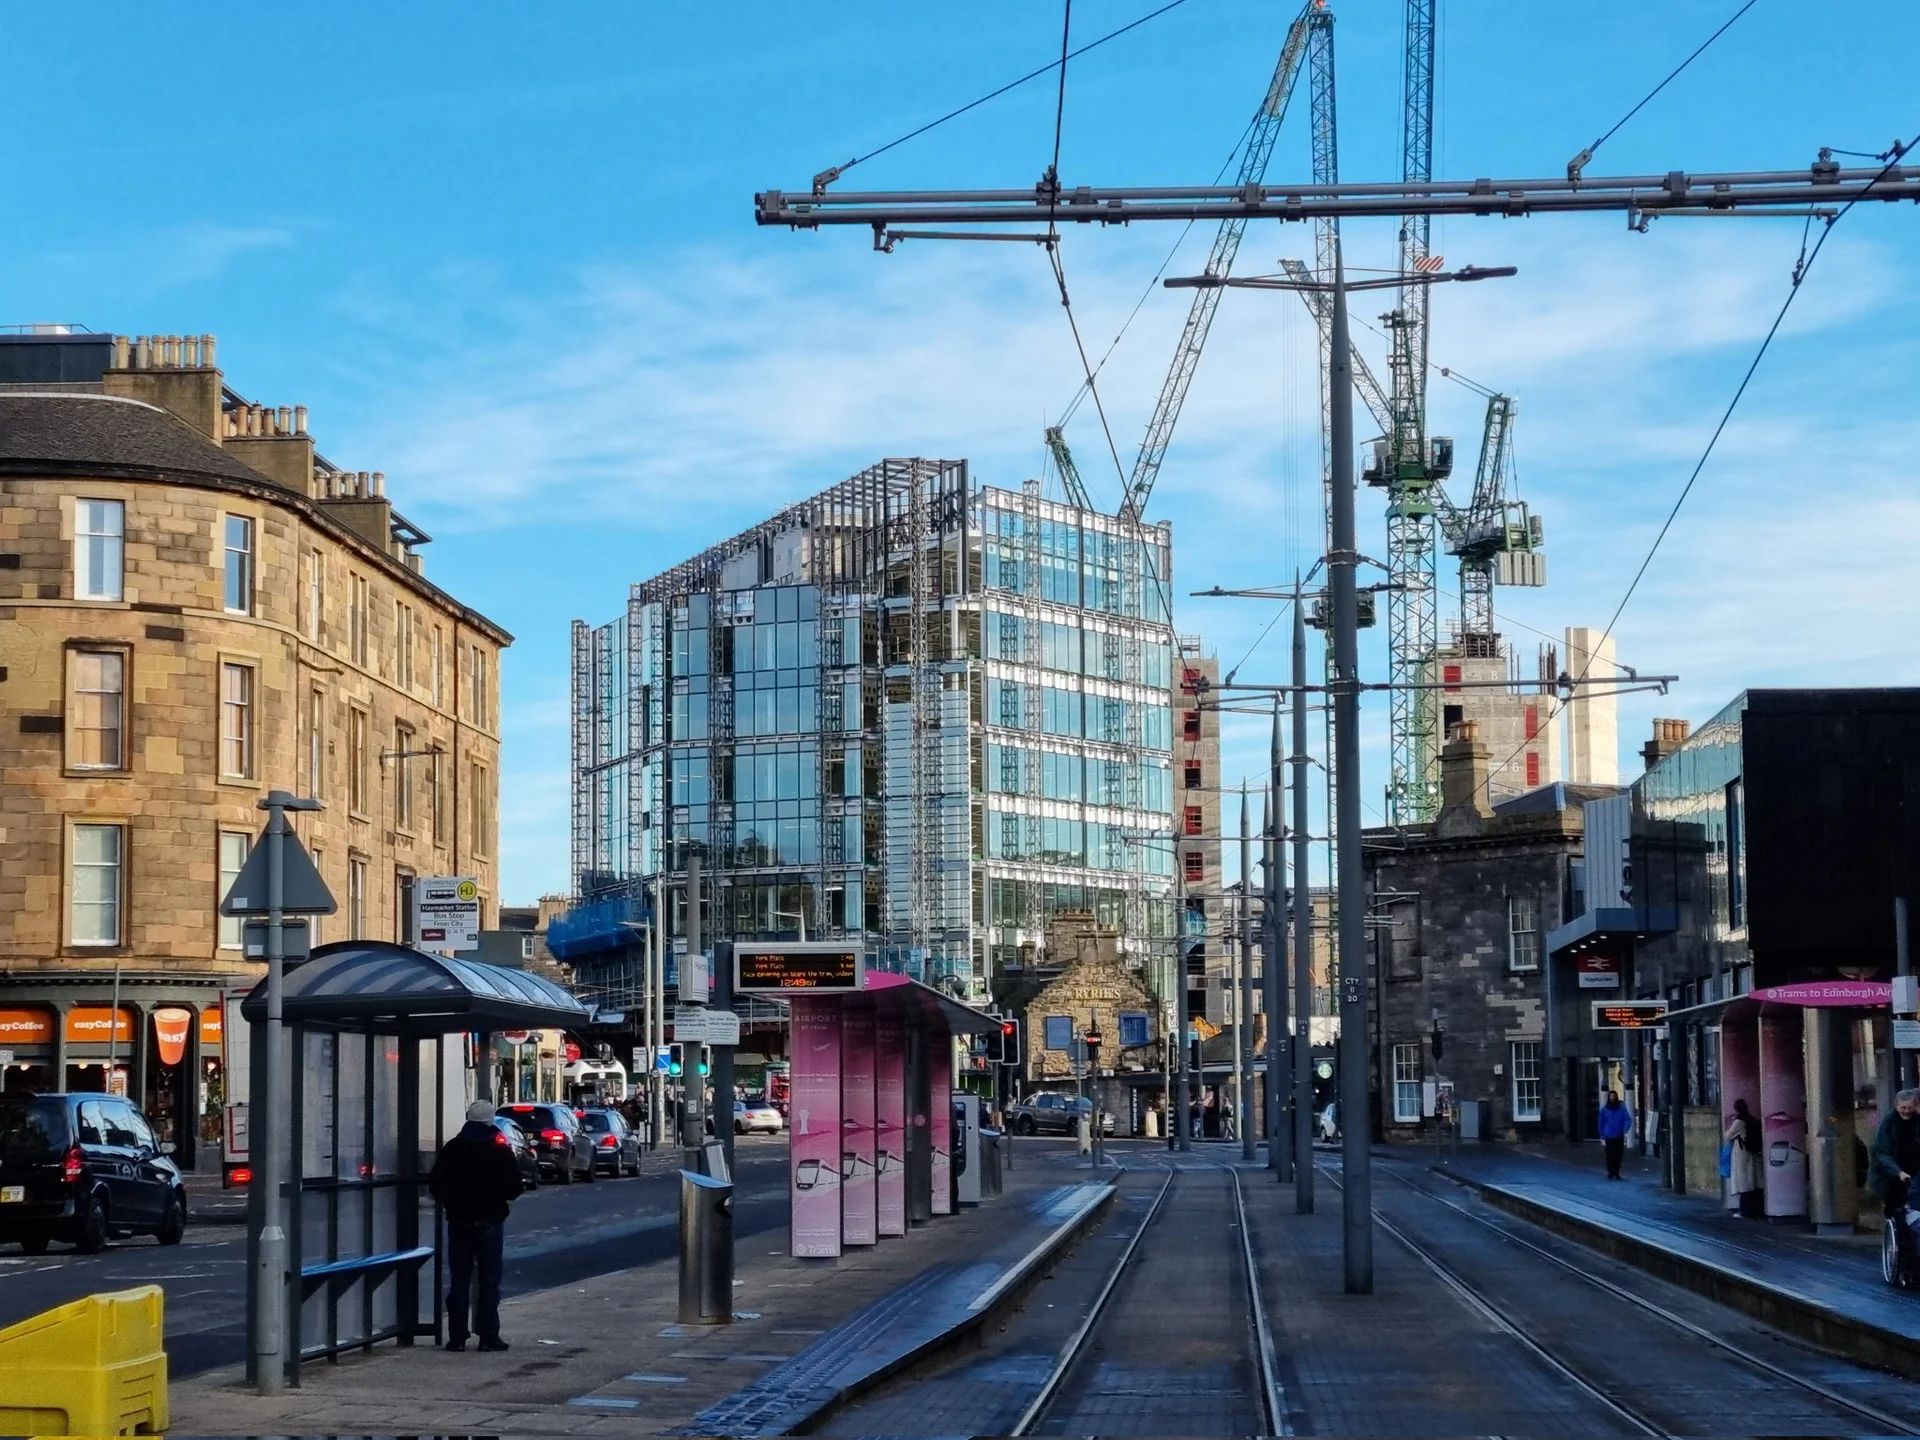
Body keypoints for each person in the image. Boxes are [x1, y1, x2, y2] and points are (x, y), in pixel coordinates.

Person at [428, 1099, 524, 1353]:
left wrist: (452, 1201)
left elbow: (435, 1185)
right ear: (490, 1120)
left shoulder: (454, 1148)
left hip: (459, 1219)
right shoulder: (498, 1148)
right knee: (489, 1280)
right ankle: (488, 1335)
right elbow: (515, 1187)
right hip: (490, 1218)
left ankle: (457, 1337)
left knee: (460, 1279)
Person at [1869, 1088, 1920, 1222]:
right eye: (1903, 1108)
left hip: (1914, 1166)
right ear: (1897, 1106)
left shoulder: (1917, 1120)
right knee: (1896, 1201)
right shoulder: (1889, 1123)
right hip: (1893, 1171)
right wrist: (1898, 1172)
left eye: (1910, 1107)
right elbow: (1882, 1152)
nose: (1907, 1111)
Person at [1726, 1097, 1763, 1217]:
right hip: (1752, 1152)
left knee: (1744, 1182)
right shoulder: (1751, 1119)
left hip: (1742, 1154)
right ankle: (1755, 1209)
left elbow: (1728, 1136)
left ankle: (1745, 1211)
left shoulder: (1739, 1121)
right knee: (1752, 1180)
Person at [1597, 1092, 1633, 1180]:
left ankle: (1616, 1172)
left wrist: (1625, 1129)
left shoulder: (1621, 1109)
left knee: (1618, 1155)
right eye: (1610, 1096)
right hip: (1609, 1135)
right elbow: (1601, 1122)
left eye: (1613, 1096)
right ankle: (1611, 1172)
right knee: (1610, 1155)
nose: (1612, 1098)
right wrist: (1601, 1133)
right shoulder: (1605, 1110)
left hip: (1619, 1135)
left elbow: (1628, 1119)